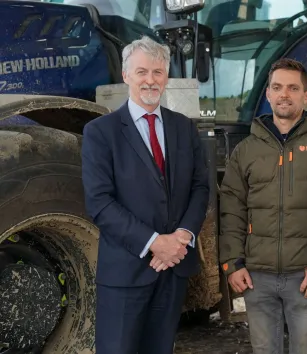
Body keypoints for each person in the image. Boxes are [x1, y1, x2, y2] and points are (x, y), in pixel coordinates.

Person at [81, 36, 209, 354]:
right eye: (141, 72)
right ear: (126, 76)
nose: (150, 80)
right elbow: (100, 202)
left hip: (173, 268)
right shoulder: (100, 132)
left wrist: (183, 236)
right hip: (126, 270)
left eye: (157, 72)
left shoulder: (184, 128)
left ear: (166, 77)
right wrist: (155, 242)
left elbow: (200, 187)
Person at [218, 58, 307, 354]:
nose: (284, 94)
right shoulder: (246, 151)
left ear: (306, 96)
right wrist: (233, 263)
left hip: (306, 277)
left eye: (293, 88)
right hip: (257, 277)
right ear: (268, 94)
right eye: (278, 87)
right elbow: (231, 210)